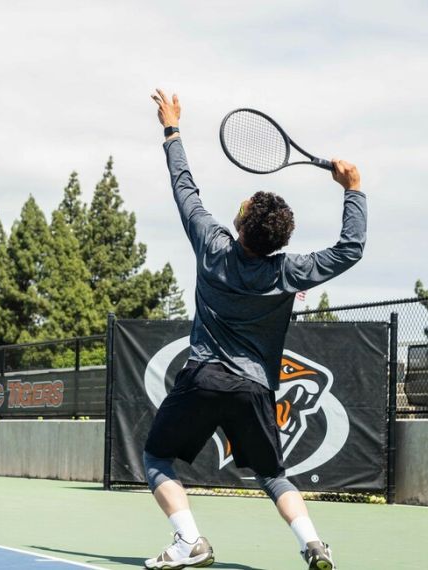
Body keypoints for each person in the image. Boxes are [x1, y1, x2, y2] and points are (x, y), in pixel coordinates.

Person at [142, 90, 365, 570]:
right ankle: (314, 546)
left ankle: (189, 541)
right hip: (255, 391)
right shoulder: (288, 272)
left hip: (203, 378)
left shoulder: (211, 245)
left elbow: (185, 187)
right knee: (273, 474)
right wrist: (353, 189)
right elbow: (350, 249)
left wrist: (172, 129)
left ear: (240, 227)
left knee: (157, 460)